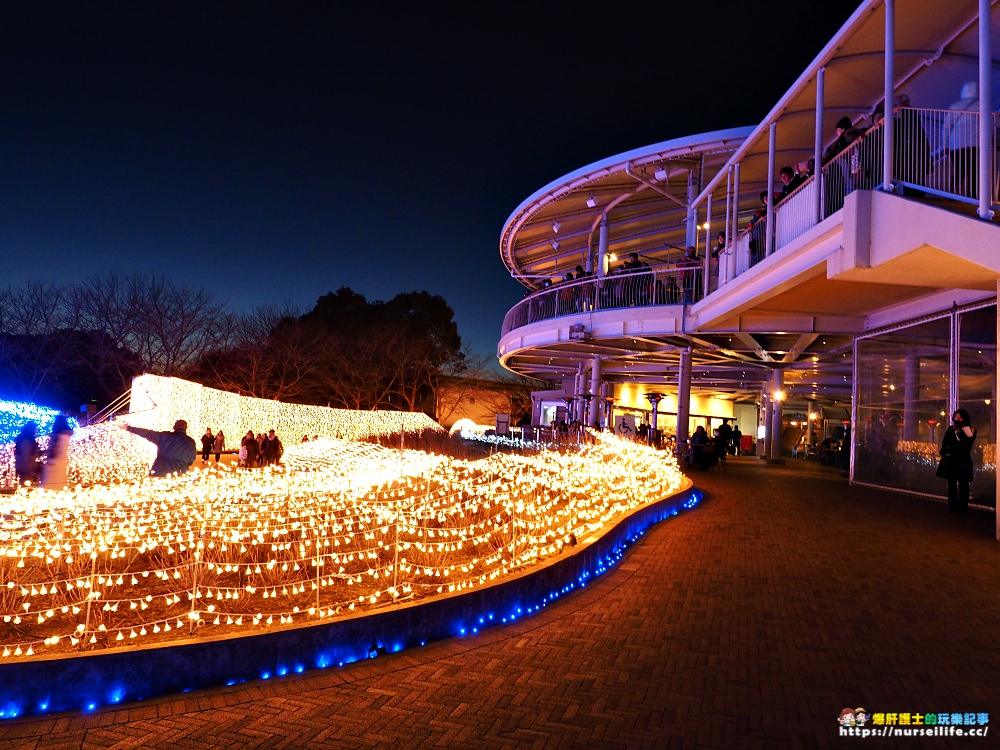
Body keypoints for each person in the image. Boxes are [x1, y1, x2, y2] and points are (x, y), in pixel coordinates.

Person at [937, 408, 976, 514]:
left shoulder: (969, 429)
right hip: (952, 461)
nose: (957, 419)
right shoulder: (951, 429)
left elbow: (968, 442)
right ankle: (952, 506)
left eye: (960, 417)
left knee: (964, 484)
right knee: (952, 484)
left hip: (963, 460)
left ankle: (963, 507)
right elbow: (945, 442)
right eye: (956, 417)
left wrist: (959, 433)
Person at [944, 81, 980, 197]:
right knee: (975, 171)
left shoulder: (955, 106)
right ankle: (973, 195)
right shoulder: (982, 105)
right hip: (977, 143)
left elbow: (946, 128)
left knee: (960, 169)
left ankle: (953, 193)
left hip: (957, 143)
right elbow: (992, 124)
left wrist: (946, 145)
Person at [126, 419, 197, 477]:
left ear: (174, 427)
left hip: (160, 472)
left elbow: (147, 433)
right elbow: (191, 461)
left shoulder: (165, 436)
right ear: (185, 428)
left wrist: (129, 428)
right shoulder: (191, 442)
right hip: (180, 474)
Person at [40, 415, 73, 489]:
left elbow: (54, 448)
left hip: (54, 461)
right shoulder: (67, 434)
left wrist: (49, 458)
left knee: (50, 482)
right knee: (60, 481)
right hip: (63, 459)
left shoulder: (57, 435)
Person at [14, 421, 42, 486]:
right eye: (35, 428)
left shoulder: (24, 438)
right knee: (27, 486)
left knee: (26, 486)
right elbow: (26, 455)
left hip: (24, 467)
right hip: (26, 468)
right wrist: (29, 470)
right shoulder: (27, 440)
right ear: (32, 429)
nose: (36, 430)